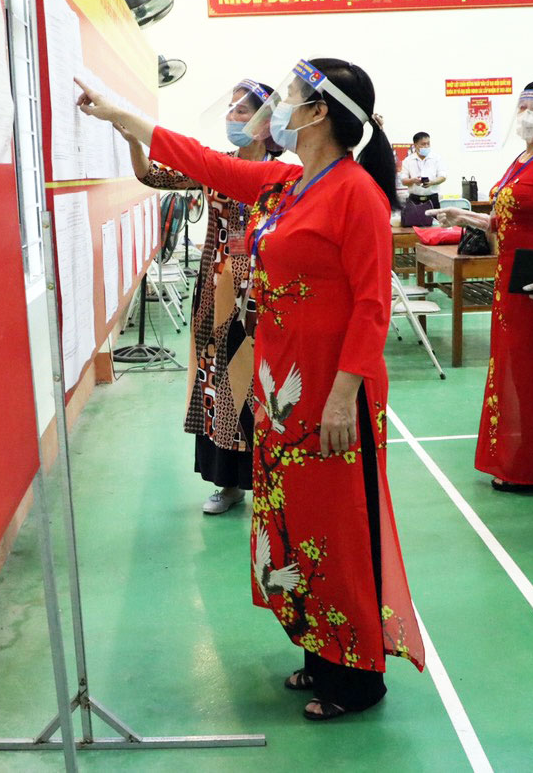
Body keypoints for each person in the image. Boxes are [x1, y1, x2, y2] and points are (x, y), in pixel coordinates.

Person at [77, 58, 426, 720]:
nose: (280, 106)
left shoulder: (355, 193)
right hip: (281, 388)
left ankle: (356, 676)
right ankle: (319, 652)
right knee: (294, 525)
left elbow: (373, 305)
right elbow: (210, 166)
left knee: (338, 528)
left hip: (330, 391)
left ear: (320, 111)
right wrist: (124, 117)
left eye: (292, 94)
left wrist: (344, 395)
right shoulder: (288, 185)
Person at [120, 79, 280, 515]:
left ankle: (272, 483)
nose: (231, 117)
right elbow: (152, 174)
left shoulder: (284, 177)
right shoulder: (217, 166)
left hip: (265, 298)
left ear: (267, 123)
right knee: (220, 387)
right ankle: (228, 485)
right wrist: (136, 142)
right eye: (229, 109)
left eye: (242, 111)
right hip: (216, 295)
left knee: (264, 387)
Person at [428, 82, 533, 492]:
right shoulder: (522, 160)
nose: (527, 113)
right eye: (523, 105)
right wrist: (465, 218)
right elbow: (507, 220)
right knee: (515, 371)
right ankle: (520, 458)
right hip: (510, 277)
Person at [398, 132, 445, 225]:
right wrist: (413, 180)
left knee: (436, 227)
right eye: (423, 144)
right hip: (414, 200)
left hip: (432, 200)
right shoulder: (408, 161)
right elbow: (403, 180)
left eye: (428, 143)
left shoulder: (436, 158)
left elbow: (443, 176)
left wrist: (432, 182)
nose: (426, 146)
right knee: (413, 227)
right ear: (415, 145)